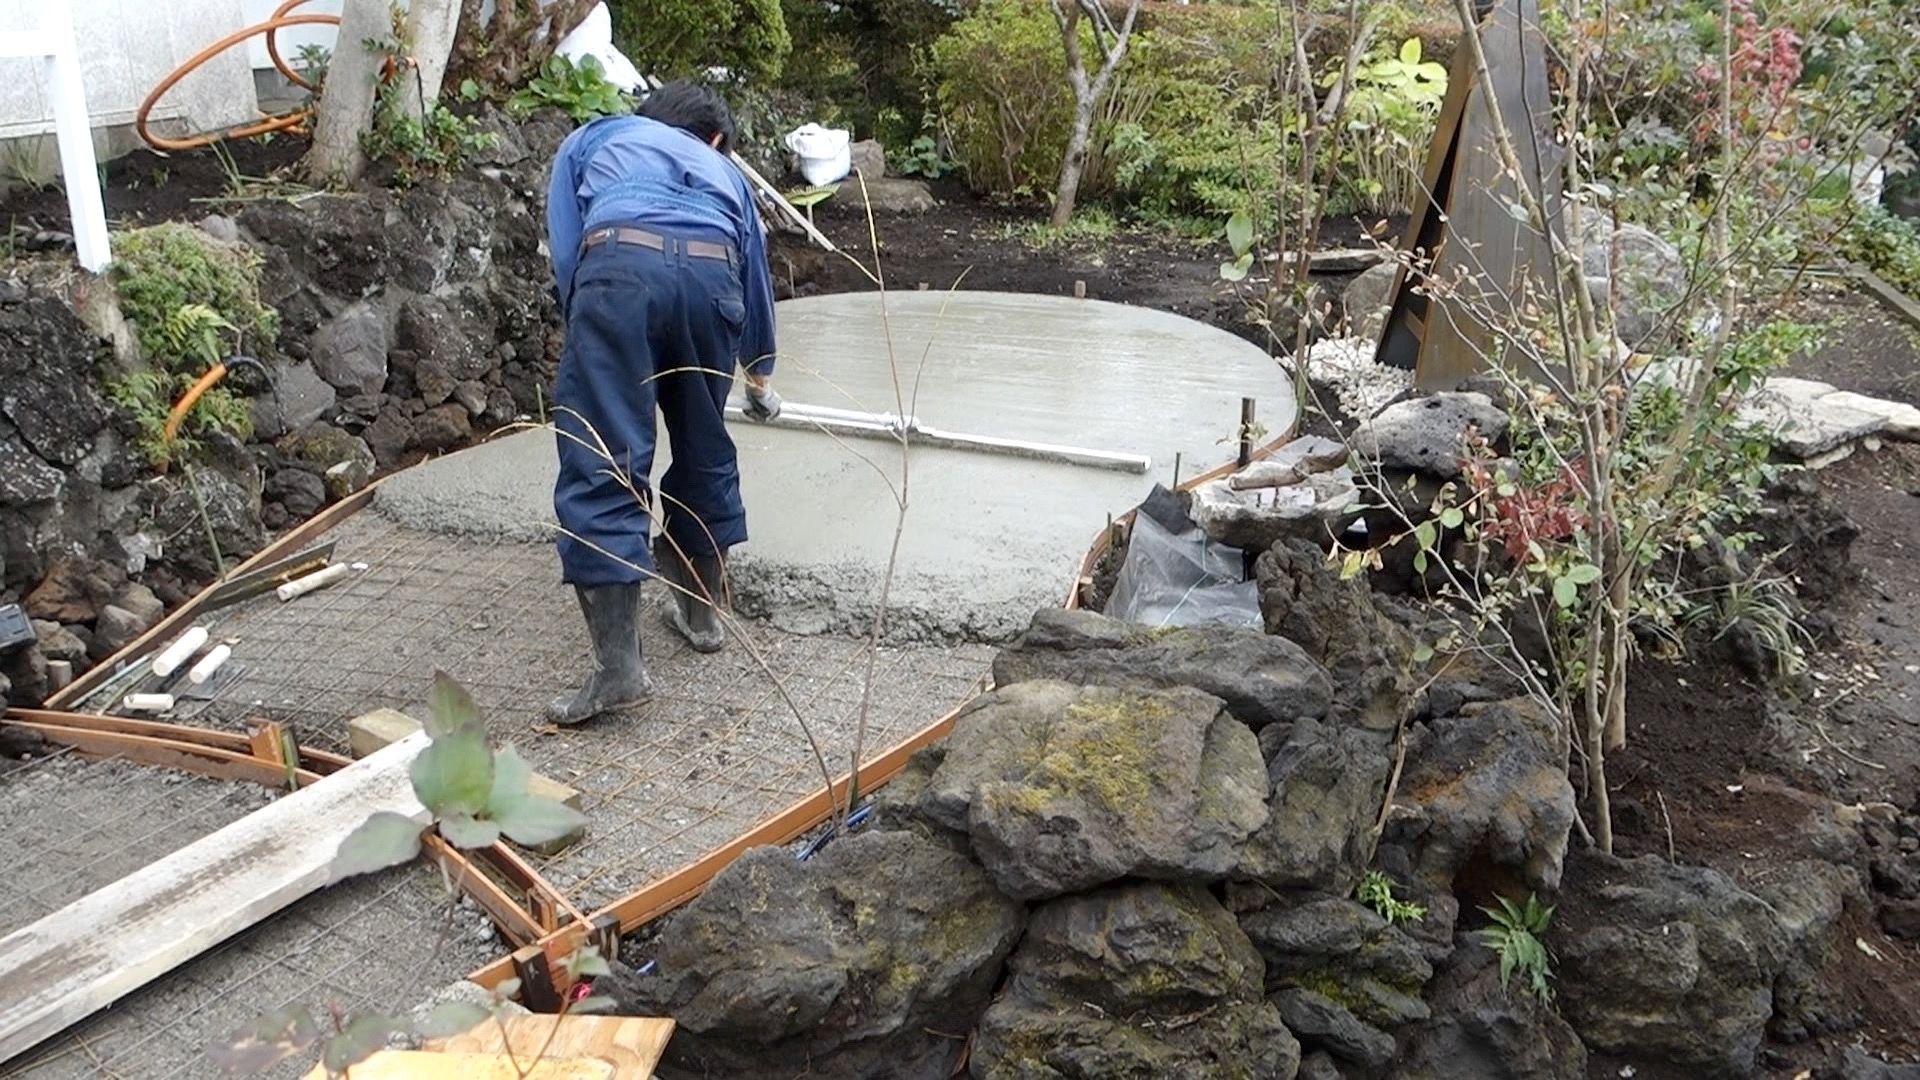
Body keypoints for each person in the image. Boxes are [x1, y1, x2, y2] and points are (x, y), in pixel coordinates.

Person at [542, 82, 782, 725]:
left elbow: (569, 247)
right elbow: (754, 275)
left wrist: (596, 332)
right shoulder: (725, 174)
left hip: (618, 269)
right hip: (713, 278)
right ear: (713, 141)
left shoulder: (593, 138)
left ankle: (620, 670)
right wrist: (759, 375)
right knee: (705, 446)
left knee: (606, 455)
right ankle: (701, 617)